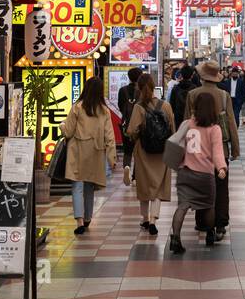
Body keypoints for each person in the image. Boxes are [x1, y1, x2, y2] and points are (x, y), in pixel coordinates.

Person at [184, 58, 239, 239]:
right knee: (221, 189)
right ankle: (221, 224)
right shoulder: (223, 95)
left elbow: (186, 123)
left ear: (202, 76)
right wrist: (236, 148)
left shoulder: (193, 94)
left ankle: (202, 222)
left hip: (197, 151)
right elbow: (231, 122)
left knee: (201, 187)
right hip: (220, 149)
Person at [169, 91, 227, 255]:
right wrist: (221, 168)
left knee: (182, 206)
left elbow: (177, 141)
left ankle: (175, 239)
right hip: (204, 175)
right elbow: (217, 152)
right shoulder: (214, 128)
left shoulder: (187, 124)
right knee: (208, 205)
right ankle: (210, 234)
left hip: (185, 172)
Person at [61, 75, 116, 236]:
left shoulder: (77, 107)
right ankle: (87, 218)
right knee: (90, 186)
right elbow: (109, 135)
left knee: (77, 186)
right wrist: (111, 157)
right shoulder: (104, 110)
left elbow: (69, 131)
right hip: (96, 151)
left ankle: (79, 222)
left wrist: (61, 125)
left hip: (77, 150)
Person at [126, 73, 173, 235]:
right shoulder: (165, 105)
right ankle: (154, 219)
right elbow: (172, 129)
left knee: (144, 185)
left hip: (144, 151)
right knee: (158, 185)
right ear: (154, 87)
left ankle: (145, 219)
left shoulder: (139, 107)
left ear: (139, 87)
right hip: (162, 152)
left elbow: (131, 131)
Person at [117, 66, 142, 183]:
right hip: (139, 125)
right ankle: (136, 176)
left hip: (126, 124)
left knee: (127, 150)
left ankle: (126, 166)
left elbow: (120, 106)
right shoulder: (142, 90)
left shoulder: (122, 90)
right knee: (138, 150)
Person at [168, 63, 199, 128]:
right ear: (191, 76)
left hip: (178, 119)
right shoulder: (195, 89)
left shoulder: (175, 88)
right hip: (191, 119)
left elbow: (171, 105)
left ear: (181, 75)